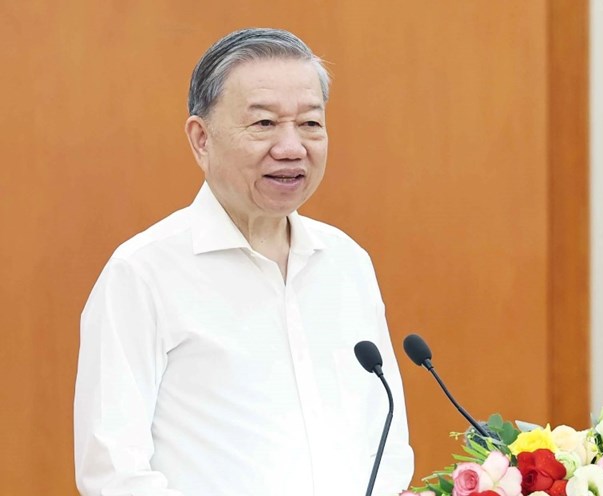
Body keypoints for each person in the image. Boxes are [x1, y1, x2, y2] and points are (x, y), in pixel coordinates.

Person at [74, 28, 414, 495]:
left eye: (310, 123)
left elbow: (386, 443)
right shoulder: (143, 273)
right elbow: (113, 472)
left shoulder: (347, 263)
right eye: (264, 123)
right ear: (201, 139)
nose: (292, 147)